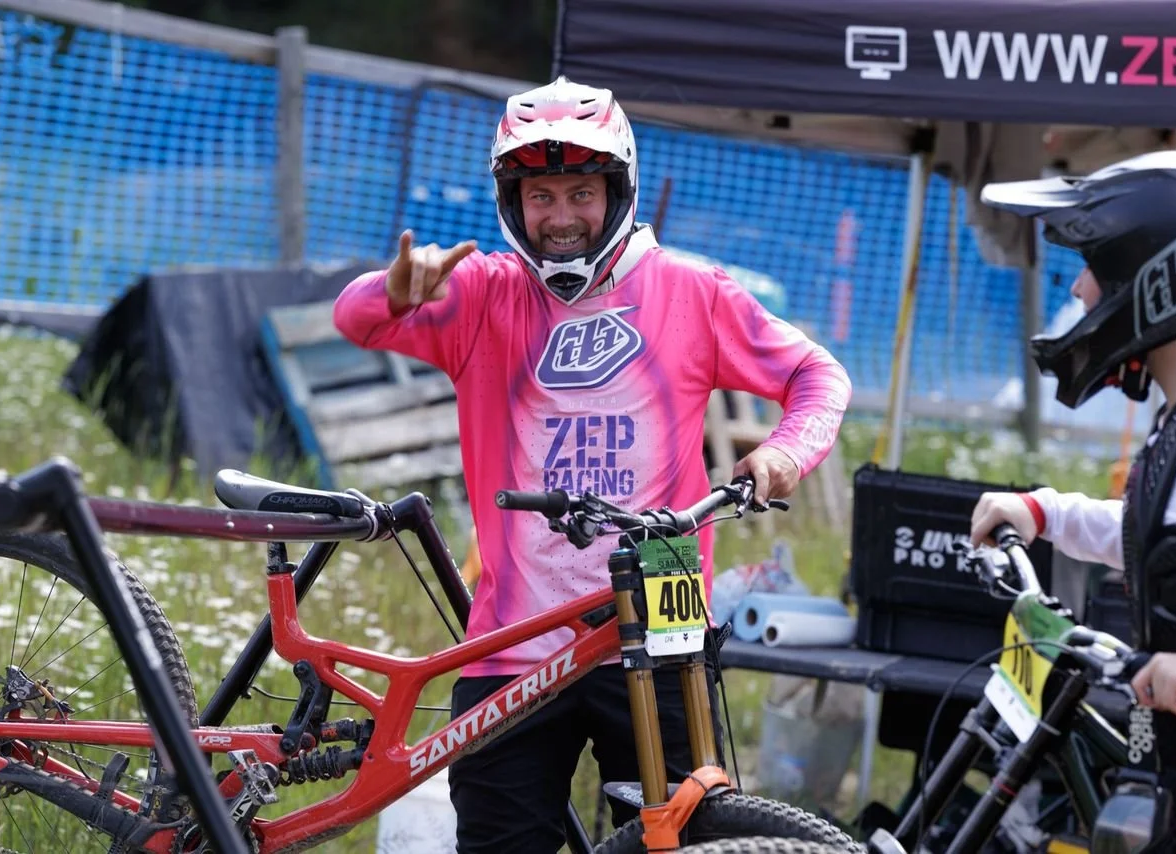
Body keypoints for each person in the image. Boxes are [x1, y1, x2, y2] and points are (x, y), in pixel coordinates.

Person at [332, 75, 852, 854]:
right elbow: (354, 319)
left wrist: (784, 454)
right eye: (541, 196)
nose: (562, 218)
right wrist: (394, 295)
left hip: (663, 622)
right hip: (513, 639)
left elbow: (820, 377)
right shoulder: (480, 293)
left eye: (581, 192)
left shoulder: (691, 292)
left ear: (618, 190)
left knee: (685, 839)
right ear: (514, 202)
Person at [968, 150, 1176, 850]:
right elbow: (1170, 546)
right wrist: (1044, 512)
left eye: (1093, 266)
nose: (1077, 289)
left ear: (1156, 273)